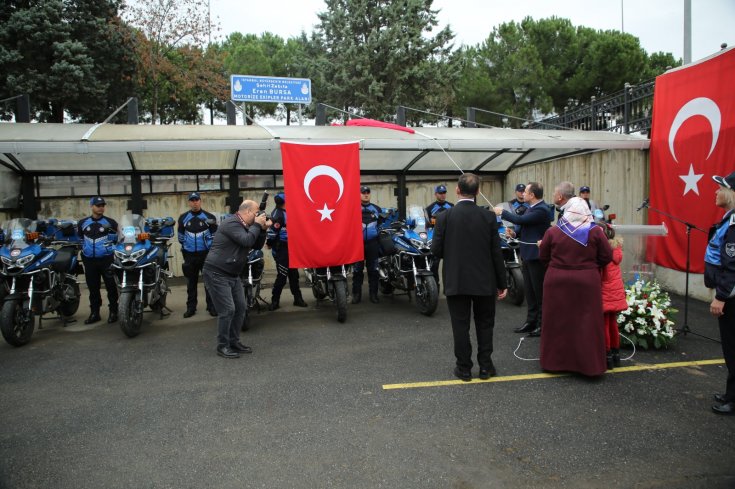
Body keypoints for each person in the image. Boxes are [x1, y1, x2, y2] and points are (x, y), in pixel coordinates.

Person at [431, 173, 507, 381]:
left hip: (457, 279)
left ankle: (464, 368)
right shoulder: (488, 217)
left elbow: (436, 250)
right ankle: (485, 366)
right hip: (485, 280)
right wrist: (503, 283)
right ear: (478, 192)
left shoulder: (445, 217)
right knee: (485, 324)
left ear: (457, 190)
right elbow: (496, 253)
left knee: (460, 325)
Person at [538, 197, 612, 376]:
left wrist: (557, 267)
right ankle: (588, 366)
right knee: (587, 322)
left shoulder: (553, 231)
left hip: (557, 280)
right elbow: (606, 256)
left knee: (557, 321)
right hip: (587, 281)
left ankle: (554, 363)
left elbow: (543, 256)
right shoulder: (595, 231)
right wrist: (590, 267)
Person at [203, 200, 270, 359]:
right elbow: (246, 240)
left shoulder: (246, 225)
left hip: (232, 274)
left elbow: (256, 245)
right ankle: (223, 346)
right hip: (216, 273)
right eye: (255, 213)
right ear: (247, 212)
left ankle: (234, 342)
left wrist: (262, 229)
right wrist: (256, 225)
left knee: (241, 308)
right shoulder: (231, 223)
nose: (257, 216)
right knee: (227, 310)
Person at [494, 182, 551, 337]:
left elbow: (521, 220)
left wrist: (502, 213)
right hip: (527, 255)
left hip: (537, 257)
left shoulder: (542, 209)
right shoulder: (530, 208)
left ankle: (541, 325)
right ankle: (530, 322)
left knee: (539, 293)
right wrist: (514, 233)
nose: (522, 194)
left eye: (525, 192)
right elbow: (523, 226)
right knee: (530, 293)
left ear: (532, 195)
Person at [704, 171, 735, 415]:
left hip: (731, 298)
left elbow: (732, 266)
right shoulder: (729, 219)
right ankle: (730, 393)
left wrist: (721, 296)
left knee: (733, 347)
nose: (716, 191)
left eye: (720, 188)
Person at [78, 196, 119, 325]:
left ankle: (114, 312)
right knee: (93, 288)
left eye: (102, 205)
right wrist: (84, 250)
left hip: (107, 259)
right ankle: (95, 313)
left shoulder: (111, 222)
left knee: (111, 286)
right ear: (92, 206)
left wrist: (111, 248)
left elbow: (118, 239)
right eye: (98, 205)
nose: (101, 208)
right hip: (89, 260)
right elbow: (79, 238)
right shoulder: (83, 223)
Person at [177, 191, 218, 318]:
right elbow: (180, 237)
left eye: (197, 200)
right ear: (189, 202)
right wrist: (187, 248)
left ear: (200, 201)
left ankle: (211, 306)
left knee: (209, 282)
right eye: (192, 200)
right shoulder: (183, 217)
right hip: (189, 256)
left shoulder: (209, 217)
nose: (194, 202)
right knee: (191, 283)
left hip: (206, 255)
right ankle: (191, 308)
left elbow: (215, 236)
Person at [266, 192, 307, 311]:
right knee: (282, 275)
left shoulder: (286, 212)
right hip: (282, 248)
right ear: (284, 202)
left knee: (294, 274)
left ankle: (298, 299)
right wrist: (269, 244)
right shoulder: (278, 214)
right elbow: (272, 233)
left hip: (291, 247)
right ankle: (275, 301)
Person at [601, 224, 627, 370]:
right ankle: (616, 355)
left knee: (604, 324)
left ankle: (607, 354)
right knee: (613, 324)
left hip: (604, 292)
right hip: (615, 293)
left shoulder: (603, 253)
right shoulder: (616, 251)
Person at [352, 185, 383, 304]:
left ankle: (374, 295)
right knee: (357, 270)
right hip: (357, 244)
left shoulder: (377, 209)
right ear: (359, 194)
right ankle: (356, 295)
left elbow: (381, 225)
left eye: (368, 192)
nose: (366, 194)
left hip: (372, 243)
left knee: (374, 270)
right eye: (363, 192)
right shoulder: (353, 208)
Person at [425, 184, 454, 288]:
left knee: (451, 266)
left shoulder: (452, 206)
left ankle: (450, 286)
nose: (442, 195)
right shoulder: (429, 208)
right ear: (436, 194)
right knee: (434, 265)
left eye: (444, 193)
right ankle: (435, 287)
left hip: (450, 240)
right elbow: (426, 226)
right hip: (436, 240)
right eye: (440, 193)